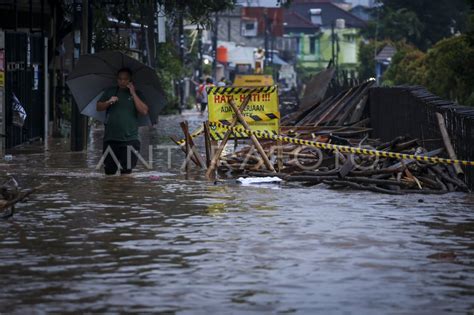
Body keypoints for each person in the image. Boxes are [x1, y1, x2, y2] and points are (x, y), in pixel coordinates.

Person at [96, 67, 149, 175]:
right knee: (109, 173)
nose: (122, 81)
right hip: (111, 138)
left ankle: (124, 192)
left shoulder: (137, 93)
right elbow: (98, 107)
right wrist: (109, 102)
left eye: (125, 79)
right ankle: (114, 192)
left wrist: (133, 93)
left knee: (126, 173)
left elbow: (143, 111)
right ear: (117, 79)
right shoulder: (111, 91)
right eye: (120, 79)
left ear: (130, 80)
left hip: (130, 139)